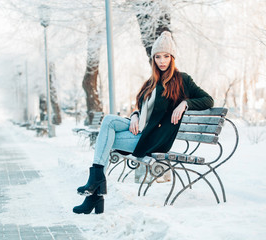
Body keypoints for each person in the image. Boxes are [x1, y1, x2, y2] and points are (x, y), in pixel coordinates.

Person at [73, 31, 214, 214]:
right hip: (140, 130)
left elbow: (208, 99)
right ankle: (95, 189)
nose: (162, 61)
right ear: (153, 59)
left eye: (166, 56)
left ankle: (94, 194)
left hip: (153, 139)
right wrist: (134, 115)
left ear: (172, 58)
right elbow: (143, 109)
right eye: (158, 57)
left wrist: (185, 103)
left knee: (105, 139)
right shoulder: (151, 82)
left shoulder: (182, 80)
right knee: (108, 121)